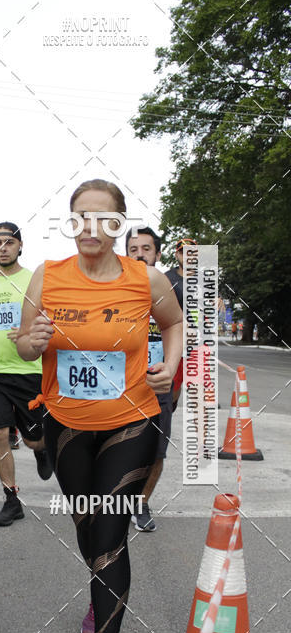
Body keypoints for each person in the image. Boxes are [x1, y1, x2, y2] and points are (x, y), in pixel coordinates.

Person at [17, 179, 182, 633]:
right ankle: (100, 583)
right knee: (88, 526)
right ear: (71, 222)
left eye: (103, 218)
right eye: (80, 217)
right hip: (66, 425)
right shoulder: (48, 276)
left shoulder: (146, 278)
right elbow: (22, 347)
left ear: (119, 224)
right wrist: (31, 341)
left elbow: (175, 324)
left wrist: (169, 366)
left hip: (131, 419)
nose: (91, 227)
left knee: (110, 533)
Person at [0, 223, 53, 527]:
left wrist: (31, 329)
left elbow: (51, 316)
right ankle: (11, 499)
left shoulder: (35, 280)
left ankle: (42, 449)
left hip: (29, 372)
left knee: (33, 441)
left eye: (9, 242)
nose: (2, 247)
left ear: (20, 246)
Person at [126, 226, 180, 532]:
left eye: (146, 249)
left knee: (157, 450)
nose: (140, 254)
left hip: (157, 386)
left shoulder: (171, 288)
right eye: (133, 249)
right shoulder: (114, 287)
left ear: (157, 254)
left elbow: (180, 329)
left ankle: (141, 503)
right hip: (119, 387)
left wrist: (172, 371)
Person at [164, 237, 195, 410]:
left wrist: (217, 299)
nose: (187, 256)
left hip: (197, 341)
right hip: (175, 338)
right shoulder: (167, 278)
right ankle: (171, 405)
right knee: (174, 385)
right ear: (177, 255)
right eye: (183, 252)